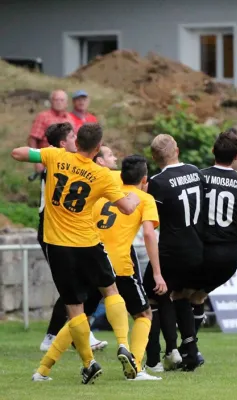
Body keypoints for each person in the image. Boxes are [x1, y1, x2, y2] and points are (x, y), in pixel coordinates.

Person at [12, 123, 142, 384]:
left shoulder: (55, 156)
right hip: (89, 244)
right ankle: (123, 344)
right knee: (110, 290)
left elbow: (18, 153)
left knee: (74, 308)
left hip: (59, 247)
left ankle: (88, 362)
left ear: (76, 142)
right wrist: (135, 198)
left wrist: (42, 153)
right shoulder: (102, 174)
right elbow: (127, 208)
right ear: (97, 148)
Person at [175, 129, 237, 365]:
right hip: (230, 255)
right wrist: (232, 215)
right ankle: (189, 348)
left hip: (202, 249)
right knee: (198, 296)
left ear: (213, 151)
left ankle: (184, 348)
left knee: (179, 294)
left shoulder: (198, 177)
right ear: (236, 157)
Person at [93, 154, 168, 380]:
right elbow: (148, 233)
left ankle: (44, 369)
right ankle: (135, 365)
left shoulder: (105, 188)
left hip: (93, 259)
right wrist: (157, 273)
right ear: (145, 179)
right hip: (121, 264)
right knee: (144, 313)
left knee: (79, 313)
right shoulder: (144, 198)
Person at [37, 123, 107, 353]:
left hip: (67, 232)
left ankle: (73, 333)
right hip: (55, 230)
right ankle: (57, 335)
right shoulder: (58, 160)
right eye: (71, 135)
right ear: (63, 144)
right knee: (74, 286)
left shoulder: (66, 161)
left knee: (79, 285)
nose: (75, 138)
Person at [142, 133, 207, 372]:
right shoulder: (194, 171)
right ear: (177, 150)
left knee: (151, 296)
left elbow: (153, 221)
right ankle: (187, 349)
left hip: (172, 250)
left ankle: (157, 358)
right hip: (196, 248)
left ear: (153, 157)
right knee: (177, 295)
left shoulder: (157, 183)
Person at [28, 90, 75, 175]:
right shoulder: (43, 116)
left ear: (66, 103)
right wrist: (37, 161)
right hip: (47, 161)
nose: (59, 102)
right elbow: (33, 139)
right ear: (51, 102)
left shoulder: (70, 119)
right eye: (56, 100)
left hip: (67, 163)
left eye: (62, 100)